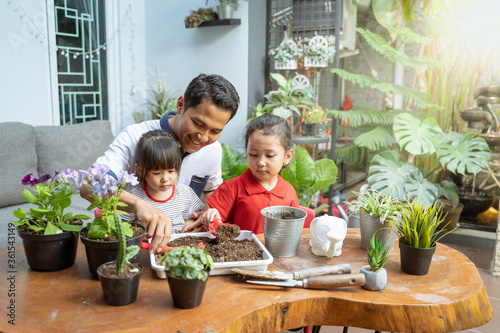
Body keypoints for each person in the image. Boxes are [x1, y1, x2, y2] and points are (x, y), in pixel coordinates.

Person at [80, 73, 239, 252]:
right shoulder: (133, 137)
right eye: (198, 124)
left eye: (215, 131)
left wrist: (204, 216)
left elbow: (210, 194)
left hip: (181, 249)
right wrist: (139, 204)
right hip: (134, 249)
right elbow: (88, 185)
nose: (203, 138)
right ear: (180, 105)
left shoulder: (213, 149)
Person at [199, 114, 299, 234]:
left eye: (270, 155)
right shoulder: (231, 188)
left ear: (287, 156)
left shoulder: (289, 192)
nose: (261, 162)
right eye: (253, 155)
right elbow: (209, 224)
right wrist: (211, 216)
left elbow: (293, 232)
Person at [121, 129, 204, 234]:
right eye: (156, 173)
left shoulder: (185, 193)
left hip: (178, 246)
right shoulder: (134, 195)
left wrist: (187, 228)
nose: (165, 178)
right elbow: (125, 226)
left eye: (171, 171)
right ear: (140, 170)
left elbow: (194, 218)